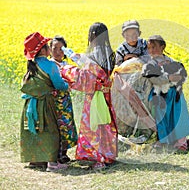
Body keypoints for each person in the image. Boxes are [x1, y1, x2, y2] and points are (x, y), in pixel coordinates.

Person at [60, 22, 117, 170]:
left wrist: (66, 70)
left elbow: (87, 75)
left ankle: (97, 158)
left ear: (92, 36)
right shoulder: (111, 52)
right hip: (106, 95)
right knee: (105, 124)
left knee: (94, 125)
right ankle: (108, 154)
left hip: (95, 96)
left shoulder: (95, 52)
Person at [20, 32, 69, 172]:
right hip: (46, 103)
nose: (49, 48)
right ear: (42, 50)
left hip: (30, 104)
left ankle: (36, 160)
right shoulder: (50, 66)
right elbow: (59, 85)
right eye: (47, 46)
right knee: (50, 131)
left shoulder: (32, 65)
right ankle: (52, 163)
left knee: (34, 130)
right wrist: (67, 85)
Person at [141, 35, 189, 152]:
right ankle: (163, 140)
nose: (151, 50)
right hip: (158, 94)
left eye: (154, 47)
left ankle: (181, 142)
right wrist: (169, 77)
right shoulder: (149, 64)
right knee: (161, 116)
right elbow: (154, 79)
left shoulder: (172, 61)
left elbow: (181, 76)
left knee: (179, 115)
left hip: (174, 93)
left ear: (163, 47)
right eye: (149, 48)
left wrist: (175, 78)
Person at [49, 35, 78, 164]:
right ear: (49, 49)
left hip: (65, 100)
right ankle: (56, 154)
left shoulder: (67, 65)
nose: (58, 52)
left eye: (61, 49)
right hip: (53, 101)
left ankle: (64, 153)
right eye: (55, 48)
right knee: (56, 126)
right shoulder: (49, 64)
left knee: (67, 125)